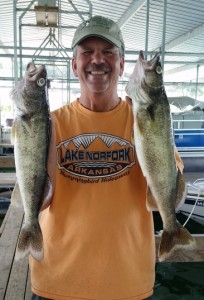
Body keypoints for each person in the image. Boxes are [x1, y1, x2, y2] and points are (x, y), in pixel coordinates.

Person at [30, 15, 184, 300]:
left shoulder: (145, 122)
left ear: (123, 64)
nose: (97, 60)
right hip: (56, 281)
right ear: (74, 65)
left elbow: (168, 187)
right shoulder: (48, 123)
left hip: (127, 283)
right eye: (87, 52)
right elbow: (40, 199)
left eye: (109, 52)